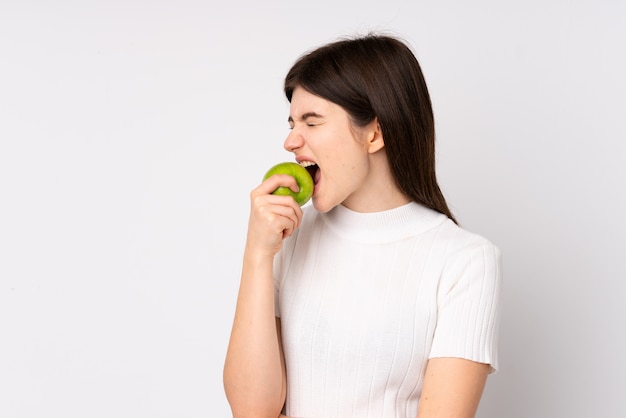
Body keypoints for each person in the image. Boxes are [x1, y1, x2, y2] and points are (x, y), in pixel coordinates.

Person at [223, 33, 502, 418]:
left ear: (375, 132)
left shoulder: (465, 261)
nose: (290, 140)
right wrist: (257, 254)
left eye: (312, 121)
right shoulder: (287, 238)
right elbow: (252, 410)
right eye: (291, 122)